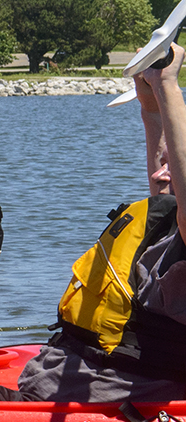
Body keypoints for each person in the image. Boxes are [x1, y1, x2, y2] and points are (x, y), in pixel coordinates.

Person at [10, 49, 186, 404]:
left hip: (115, 402)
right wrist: (150, 103)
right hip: (64, 384)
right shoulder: (164, 229)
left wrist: (168, 84)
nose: (158, 173)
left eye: (173, 168)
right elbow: (164, 180)